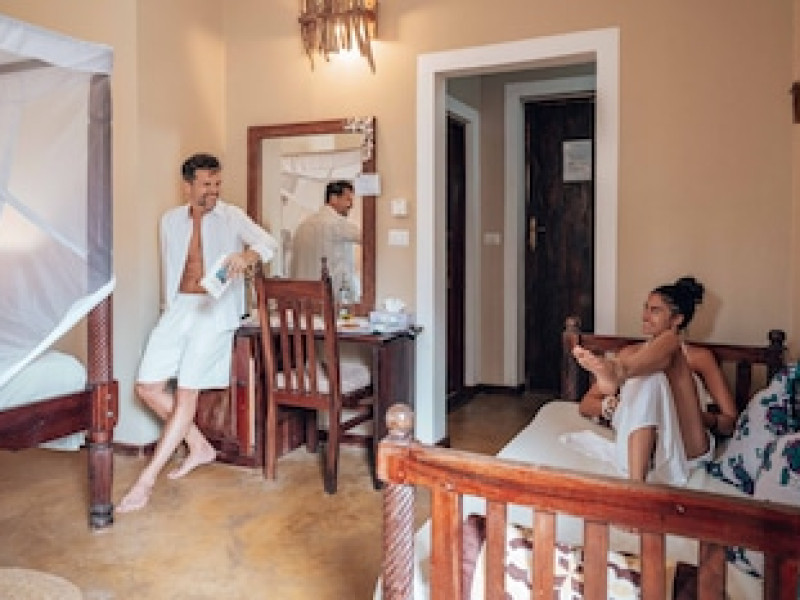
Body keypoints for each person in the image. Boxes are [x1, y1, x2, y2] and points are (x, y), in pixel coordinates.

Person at [117, 153, 278, 513]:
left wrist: (246, 257)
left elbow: (269, 243)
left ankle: (145, 482)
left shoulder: (232, 216)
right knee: (147, 387)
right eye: (206, 184)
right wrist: (168, 309)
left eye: (217, 184)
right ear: (187, 186)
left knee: (186, 393)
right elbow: (171, 267)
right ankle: (200, 446)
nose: (213, 191)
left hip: (214, 312)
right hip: (178, 309)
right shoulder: (169, 221)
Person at [573, 276, 738, 484]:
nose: (645, 316)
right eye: (646, 308)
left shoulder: (700, 357)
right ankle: (637, 484)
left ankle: (621, 371)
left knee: (670, 346)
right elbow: (586, 405)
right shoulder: (629, 352)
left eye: (655, 310)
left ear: (677, 319)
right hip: (639, 447)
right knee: (651, 376)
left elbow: (730, 422)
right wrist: (611, 407)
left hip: (686, 446)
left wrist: (703, 417)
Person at [289, 180, 361, 295]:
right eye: (348, 199)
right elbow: (370, 239)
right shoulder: (337, 223)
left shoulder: (303, 225)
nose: (351, 205)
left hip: (300, 296)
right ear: (333, 198)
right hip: (328, 297)